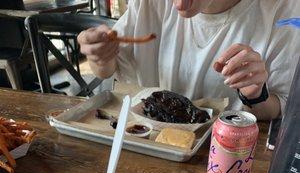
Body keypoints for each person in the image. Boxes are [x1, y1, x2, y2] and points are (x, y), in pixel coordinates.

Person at [78, 0, 299, 121]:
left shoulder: (283, 12)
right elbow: (107, 71)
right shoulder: (148, 4)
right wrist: (98, 55)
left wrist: (256, 95)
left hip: (227, 157)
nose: (181, 5)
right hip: (145, 141)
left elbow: (276, 109)